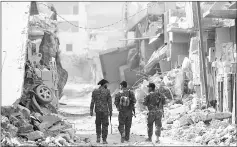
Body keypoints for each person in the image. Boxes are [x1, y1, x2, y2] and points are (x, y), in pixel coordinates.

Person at [90, 79, 112, 144]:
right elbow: (109, 102)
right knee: (105, 125)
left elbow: (92, 102)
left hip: (98, 111)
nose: (107, 85)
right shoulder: (107, 91)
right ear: (104, 84)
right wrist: (110, 111)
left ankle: (98, 138)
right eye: (106, 84)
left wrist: (91, 110)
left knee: (98, 124)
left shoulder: (95, 91)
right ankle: (104, 140)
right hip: (105, 111)